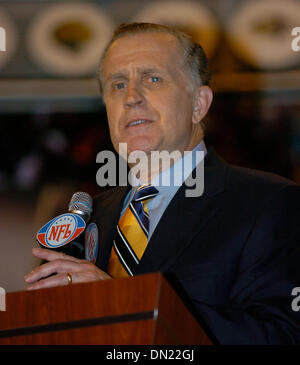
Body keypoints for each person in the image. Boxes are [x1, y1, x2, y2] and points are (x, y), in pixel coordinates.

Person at [24, 23, 300, 344]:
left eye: (152, 79)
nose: (130, 98)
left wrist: (122, 301)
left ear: (198, 104)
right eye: (117, 84)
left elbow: (283, 336)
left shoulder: (270, 203)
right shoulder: (86, 220)